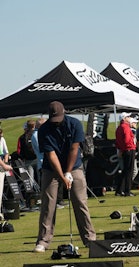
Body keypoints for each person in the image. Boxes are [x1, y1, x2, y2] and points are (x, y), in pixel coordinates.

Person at [34, 101, 96, 252]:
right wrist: (62, 177)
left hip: (74, 165)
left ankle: (90, 239)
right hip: (51, 169)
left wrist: (68, 172)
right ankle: (43, 241)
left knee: (80, 202)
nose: (57, 122)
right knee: (48, 204)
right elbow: (51, 155)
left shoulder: (74, 124)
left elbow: (74, 149)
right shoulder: (44, 130)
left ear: (64, 113)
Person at [115, 112, 136, 197]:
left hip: (124, 150)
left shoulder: (119, 128)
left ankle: (119, 190)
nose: (129, 118)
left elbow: (118, 141)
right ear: (124, 118)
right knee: (129, 171)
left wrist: (121, 149)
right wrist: (128, 147)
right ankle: (127, 190)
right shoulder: (126, 127)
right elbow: (127, 140)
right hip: (129, 149)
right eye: (127, 116)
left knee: (125, 171)